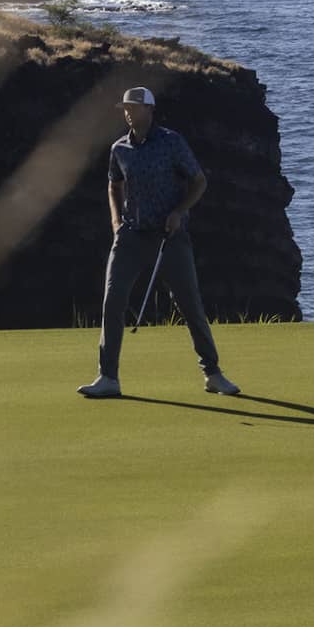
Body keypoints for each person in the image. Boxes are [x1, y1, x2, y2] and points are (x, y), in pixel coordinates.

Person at [78, 86, 241, 399]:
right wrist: (116, 222)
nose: (128, 113)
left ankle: (213, 374)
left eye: (134, 107)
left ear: (149, 110)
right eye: (126, 108)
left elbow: (199, 181)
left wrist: (179, 212)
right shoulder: (119, 148)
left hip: (169, 238)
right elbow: (114, 185)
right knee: (113, 301)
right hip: (130, 236)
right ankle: (108, 377)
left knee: (190, 305)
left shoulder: (171, 143)